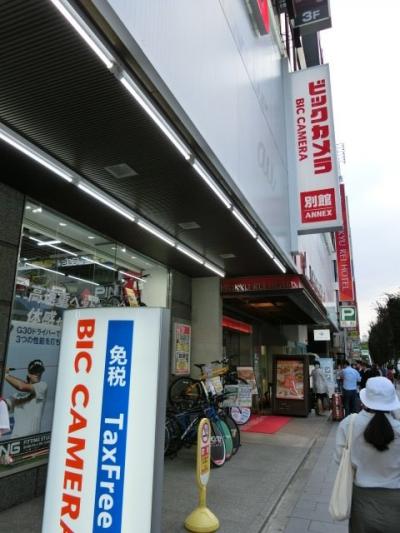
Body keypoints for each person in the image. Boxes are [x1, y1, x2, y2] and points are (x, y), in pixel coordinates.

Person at [334, 377, 400, 532]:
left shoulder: (349, 424)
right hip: (396, 501)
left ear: (365, 400)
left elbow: (339, 459)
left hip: (361, 501)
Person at [4, 359, 47, 438]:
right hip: (15, 440)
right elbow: (3, 406)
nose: (38, 374)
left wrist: (5, 375)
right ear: (29, 375)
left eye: (40, 371)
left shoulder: (43, 386)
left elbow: (21, 386)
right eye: (34, 371)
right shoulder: (17, 396)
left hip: (32, 441)